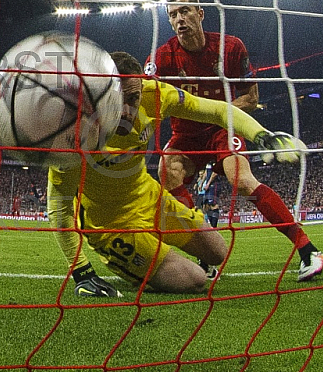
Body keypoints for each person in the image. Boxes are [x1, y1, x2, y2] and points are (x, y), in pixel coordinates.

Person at [48, 52, 307, 295]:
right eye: (118, 100)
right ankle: (131, 256)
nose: (127, 110)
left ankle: (152, 253)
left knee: (217, 252)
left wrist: (261, 135)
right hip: (108, 224)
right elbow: (59, 204)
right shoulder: (75, 131)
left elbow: (216, 110)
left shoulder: (155, 94)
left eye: (133, 98)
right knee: (195, 280)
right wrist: (81, 272)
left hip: (148, 198)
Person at [144, 0, 323, 282]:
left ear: (200, 13)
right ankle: (206, 255)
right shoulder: (161, 59)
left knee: (241, 181)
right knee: (168, 171)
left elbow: (251, 99)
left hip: (222, 128)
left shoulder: (230, 48)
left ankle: (308, 250)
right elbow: (148, 103)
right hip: (185, 134)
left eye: (185, 11)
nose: (180, 19)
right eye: (173, 15)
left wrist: (213, 112)